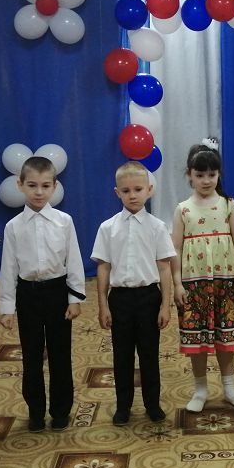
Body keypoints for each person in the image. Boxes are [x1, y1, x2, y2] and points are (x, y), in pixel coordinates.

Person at [0, 156, 86, 433]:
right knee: (31, 356)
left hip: (57, 292)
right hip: (28, 295)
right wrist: (7, 307)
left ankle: (60, 411)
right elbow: (8, 267)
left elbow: (74, 260)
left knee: (61, 354)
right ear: (20, 185)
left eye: (45, 186)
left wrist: (75, 298)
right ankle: (35, 412)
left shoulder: (64, 221)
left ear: (54, 187)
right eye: (32, 185)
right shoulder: (13, 226)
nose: (39, 192)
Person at [91, 161, 175, 426]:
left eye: (138, 189)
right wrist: (103, 305)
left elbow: (164, 268)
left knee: (149, 354)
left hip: (149, 298)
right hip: (120, 299)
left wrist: (165, 305)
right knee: (122, 356)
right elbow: (104, 268)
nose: (133, 195)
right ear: (117, 193)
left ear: (149, 189)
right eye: (126, 191)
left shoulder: (157, 227)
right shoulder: (107, 228)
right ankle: (123, 406)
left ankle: (152, 404)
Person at [171, 139, 234, 413]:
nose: (206, 180)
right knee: (197, 338)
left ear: (219, 174)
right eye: (200, 175)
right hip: (194, 284)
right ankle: (200, 390)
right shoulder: (183, 209)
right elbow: (175, 249)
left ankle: (230, 388)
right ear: (189, 175)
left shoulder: (229, 205)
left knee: (226, 336)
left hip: (226, 282)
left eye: (211, 174)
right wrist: (177, 283)